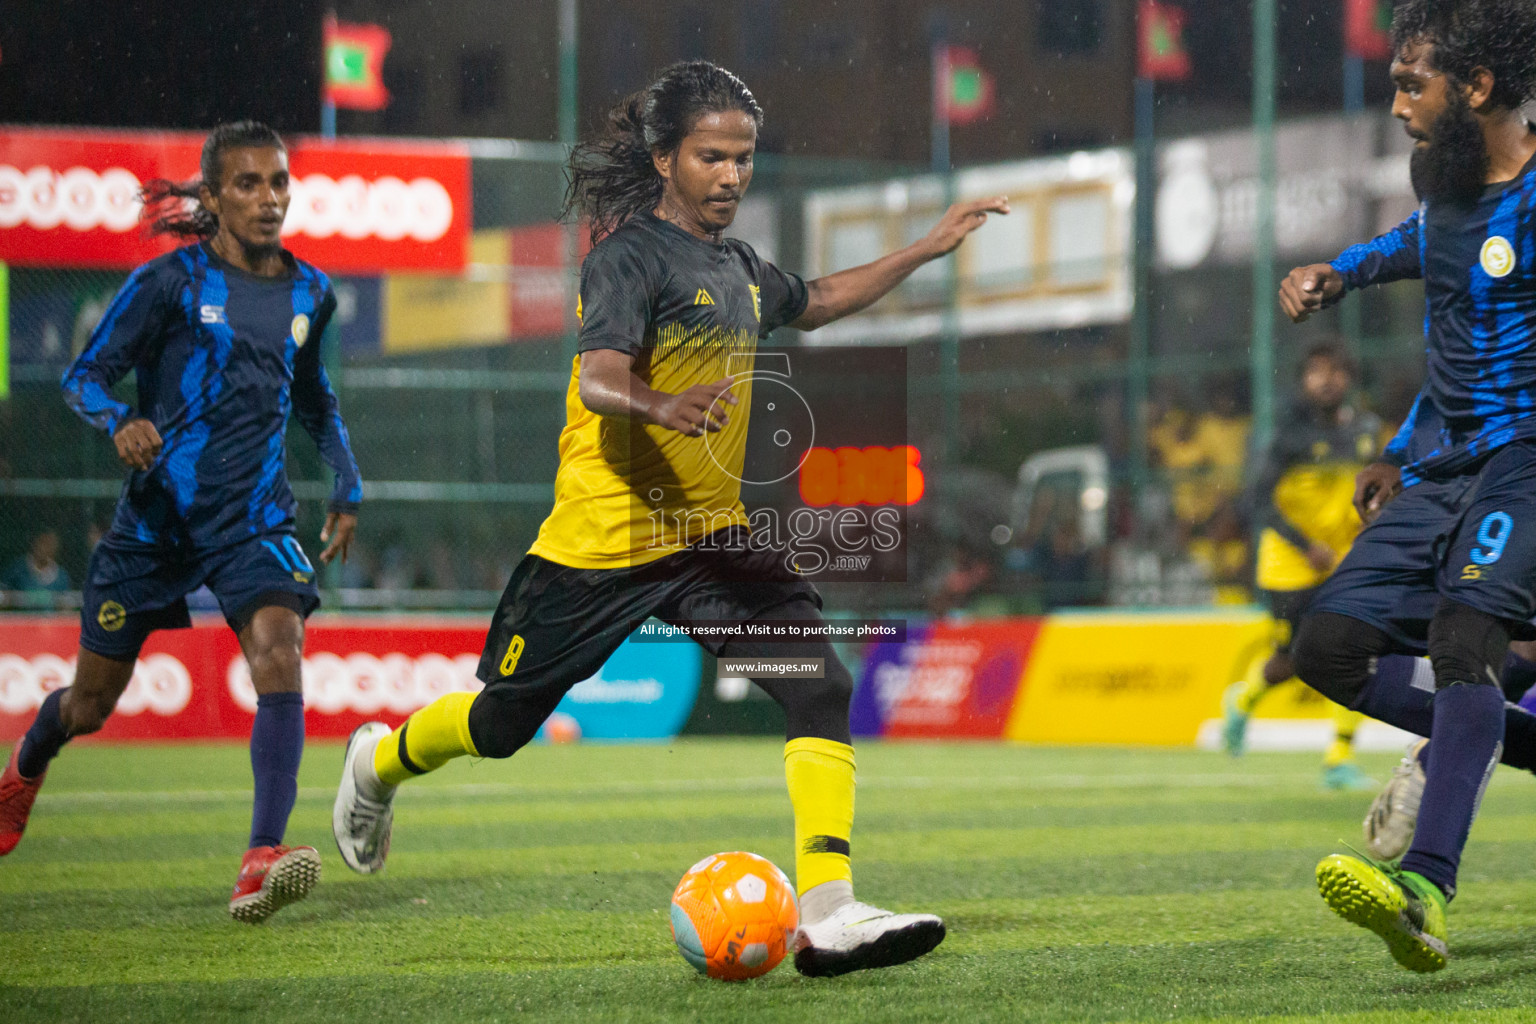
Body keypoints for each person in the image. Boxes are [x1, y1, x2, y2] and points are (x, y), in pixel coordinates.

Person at [332, 60, 1006, 977]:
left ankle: (832, 913)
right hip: (599, 549)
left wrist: (927, 248)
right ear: (664, 159)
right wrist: (663, 405)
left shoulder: (739, 268)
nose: (731, 176)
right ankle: (379, 762)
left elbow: (825, 301)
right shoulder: (628, 258)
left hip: (709, 544)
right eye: (711, 157)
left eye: (743, 159)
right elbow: (603, 378)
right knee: (499, 726)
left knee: (816, 684)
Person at [0, 121, 363, 925]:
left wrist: (347, 481)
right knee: (89, 705)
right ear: (211, 197)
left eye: (277, 182)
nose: (268, 199)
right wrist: (118, 422)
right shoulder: (168, 282)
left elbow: (314, 396)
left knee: (280, 651)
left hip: (255, 521)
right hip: (155, 527)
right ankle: (23, 771)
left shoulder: (312, 291)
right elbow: (83, 375)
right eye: (247, 184)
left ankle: (260, 855)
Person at [1277, 0, 1536, 972]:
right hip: (1444, 460)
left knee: (1467, 637)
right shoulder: (1449, 194)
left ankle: (1425, 886)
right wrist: (1333, 277)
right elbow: (1405, 254)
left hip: (1527, 460)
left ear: (1475, 88)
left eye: (1409, 84)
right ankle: (1494, 738)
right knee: (1329, 647)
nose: (1395, 106)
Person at [1223, 342, 1385, 790]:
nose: (1326, 379)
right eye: (1316, 372)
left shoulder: (1367, 431)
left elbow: (1377, 489)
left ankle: (1339, 757)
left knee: (1353, 651)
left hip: (1343, 562)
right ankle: (1244, 701)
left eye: (1335, 371)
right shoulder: (1286, 434)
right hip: (1289, 564)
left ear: (1349, 378)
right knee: (1290, 660)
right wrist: (1304, 544)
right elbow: (1258, 500)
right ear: (1303, 380)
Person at [1, 530, 73, 597]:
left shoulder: (62, 576)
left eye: (50, 545)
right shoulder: (17, 568)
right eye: (43, 543)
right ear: (35, 543)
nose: (45, 548)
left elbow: (65, 605)